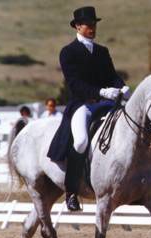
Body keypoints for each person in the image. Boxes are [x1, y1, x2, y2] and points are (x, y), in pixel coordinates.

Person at [47, 6, 130, 211]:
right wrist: (101, 92)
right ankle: (72, 191)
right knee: (82, 141)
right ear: (77, 26)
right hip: (82, 105)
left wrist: (123, 87)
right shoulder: (68, 52)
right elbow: (75, 84)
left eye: (94, 24)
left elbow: (112, 76)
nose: (92, 27)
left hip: (107, 104)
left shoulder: (102, 51)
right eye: (88, 24)